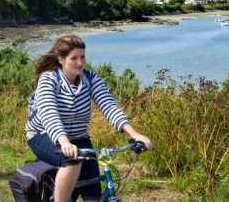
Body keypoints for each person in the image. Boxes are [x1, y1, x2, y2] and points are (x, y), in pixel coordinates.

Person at [25, 35, 153, 202]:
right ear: (61, 60)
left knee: (93, 195)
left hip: (78, 137)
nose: (80, 63)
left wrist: (133, 133)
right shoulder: (49, 79)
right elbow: (49, 113)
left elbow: (109, 106)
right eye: (74, 58)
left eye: (82, 57)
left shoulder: (90, 78)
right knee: (72, 161)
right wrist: (64, 142)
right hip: (43, 135)